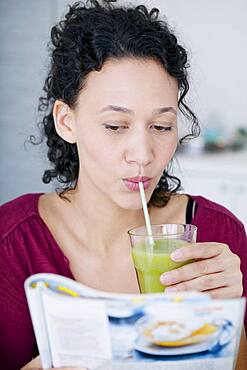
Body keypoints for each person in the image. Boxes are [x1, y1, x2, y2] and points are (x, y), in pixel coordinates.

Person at [0, 0, 246, 369]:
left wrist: (228, 316)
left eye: (161, 127)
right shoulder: (12, 242)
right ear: (66, 122)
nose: (143, 154)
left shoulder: (216, 235)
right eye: (115, 126)